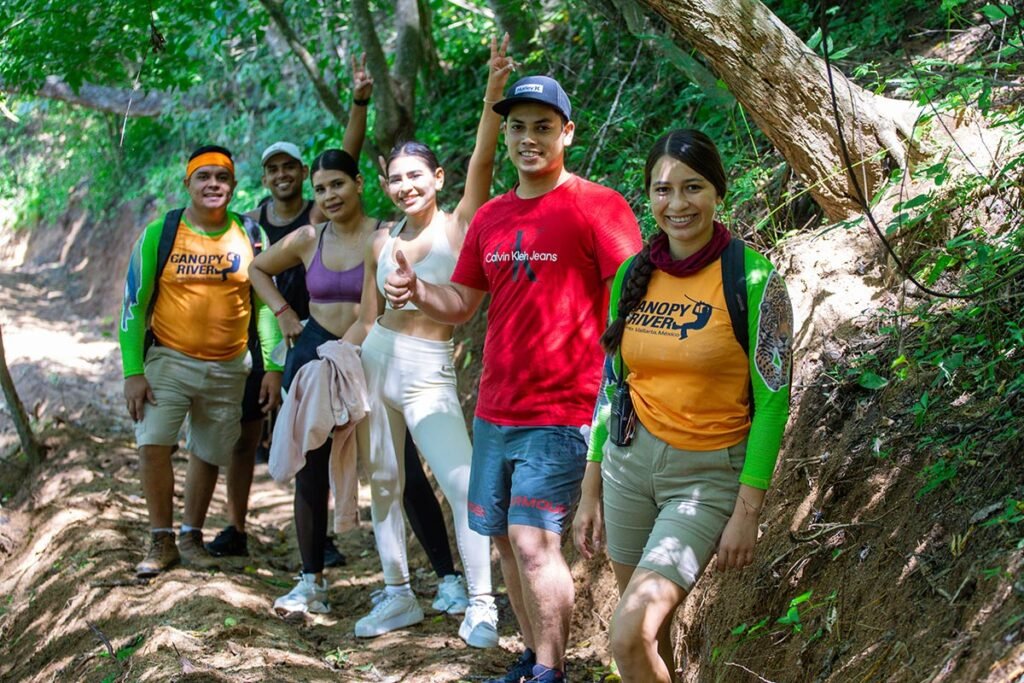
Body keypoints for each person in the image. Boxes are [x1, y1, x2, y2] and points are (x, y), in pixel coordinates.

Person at [383, 75, 642, 682]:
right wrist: (418, 290)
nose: (528, 138)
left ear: (567, 133)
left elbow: (631, 304)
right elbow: (464, 303)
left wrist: (618, 395)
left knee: (533, 543)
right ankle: (531, 656)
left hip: (563, 409)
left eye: (542, 126)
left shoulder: (598, 207)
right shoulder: (493, 216)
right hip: (495, 407)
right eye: (518, 126)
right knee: (501, 540)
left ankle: (551, 671)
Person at [572, 129, 794, 682]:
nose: (677, 204)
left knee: (626, 633)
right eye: (662, 190)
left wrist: (747, 512)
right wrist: (592, 482)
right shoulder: (631, 274)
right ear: (648, 196)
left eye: (691, 188)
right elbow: (612, 382)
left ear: (717, 191)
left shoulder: (755, 278)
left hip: (706, 476)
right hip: (628, 465)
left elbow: (771, 404)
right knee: (649, 634)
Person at [342, 35, 514, 648]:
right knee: (384, 483)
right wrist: (338, 358)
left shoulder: (459, 222)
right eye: (394, 179)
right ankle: (396, 595)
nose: (405, 186)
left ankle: (481, 603)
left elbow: (484, 164)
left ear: (437, 177)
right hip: (376, 359)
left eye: (416, 175)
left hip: (427, 367)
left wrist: (494, 92)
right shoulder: (382, 237)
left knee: (462, 481)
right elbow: (367, 315)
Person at [206, 57, 372, 570]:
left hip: (320, 334)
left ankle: (320, 540)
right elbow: (245, 269)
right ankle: (237, 527)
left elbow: (345, 159)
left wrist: (359, 103)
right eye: (272, 169)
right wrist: (275, 314)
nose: (282, 176)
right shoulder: (251, 221)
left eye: (290, 168)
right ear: (264, 177)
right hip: (271, 333)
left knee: (318, 435)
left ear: (305, 175)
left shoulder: (318, 214)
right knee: (252, 429)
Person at [119, 145, 283, 578]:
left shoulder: (251, 235)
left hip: (230, 365)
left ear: (233, 184)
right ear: (187, 184)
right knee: (153, 442)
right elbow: (134, 305)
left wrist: (271, 367)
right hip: (169, 360)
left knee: (208, 451)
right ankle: (160, 539)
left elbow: (265, 307)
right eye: (204, 177)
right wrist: (133, 371)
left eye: (222, 177)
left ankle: (191, 538)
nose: (214, 185)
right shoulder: (162, 232)